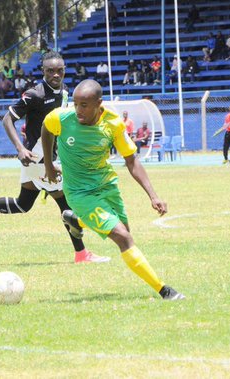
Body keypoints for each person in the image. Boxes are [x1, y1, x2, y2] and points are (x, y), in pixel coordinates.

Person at [0, 51, 109, 264]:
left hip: (48, 157)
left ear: (64, 71)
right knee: (67, 204)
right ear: (43, 71)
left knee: (23, 204)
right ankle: (81, 254)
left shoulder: (67, 92)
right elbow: (7, 119)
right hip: (36, 157)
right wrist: (20, 148)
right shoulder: (35, 95)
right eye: (50, 71)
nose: (55, 75)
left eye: (59, 71)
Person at [41, 79, 185, 300]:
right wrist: (49, 164)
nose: (78, 110)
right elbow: (46, 128)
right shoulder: (61, 117)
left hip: (107, 185)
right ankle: (164, 290)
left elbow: (132, 160)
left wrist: (153, 195)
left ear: (99, 104)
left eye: (84, 105)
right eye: (76, 103)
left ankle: (76, 221)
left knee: (126, 232)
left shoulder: (114, 124)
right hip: (79, 193)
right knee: (123, 238)